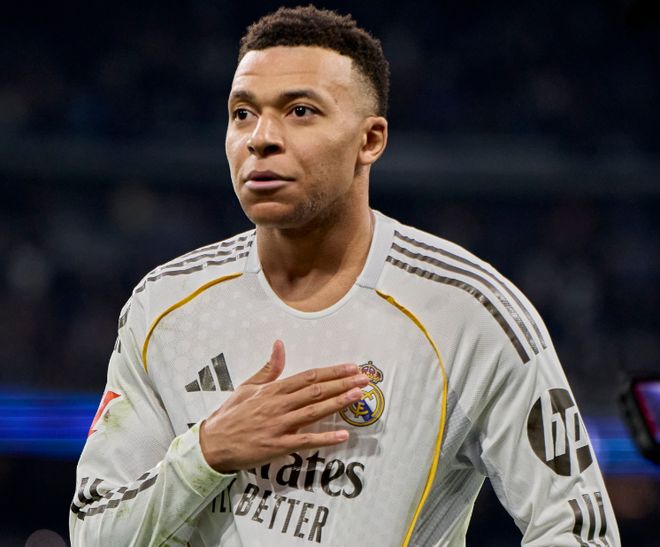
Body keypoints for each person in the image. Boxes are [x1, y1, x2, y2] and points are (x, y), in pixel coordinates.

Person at [70, 5, 620, 546]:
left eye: (300, 111)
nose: (261, 137)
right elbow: (94, 533)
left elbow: (577, 530)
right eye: (243, 113)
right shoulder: (165, 308)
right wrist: (208, 451)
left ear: (370, 140)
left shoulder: (469, 315)